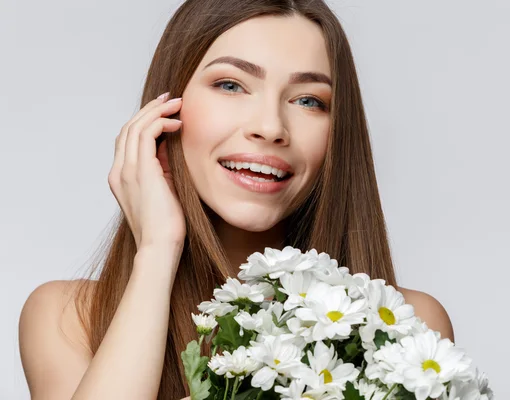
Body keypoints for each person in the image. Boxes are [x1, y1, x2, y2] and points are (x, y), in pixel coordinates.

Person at [18, 0, 454, 398]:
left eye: (308, 100)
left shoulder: (409, 326)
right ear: (167, 110)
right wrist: (157, 251)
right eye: (231, 85)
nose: (270, 126)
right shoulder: (67, 318)